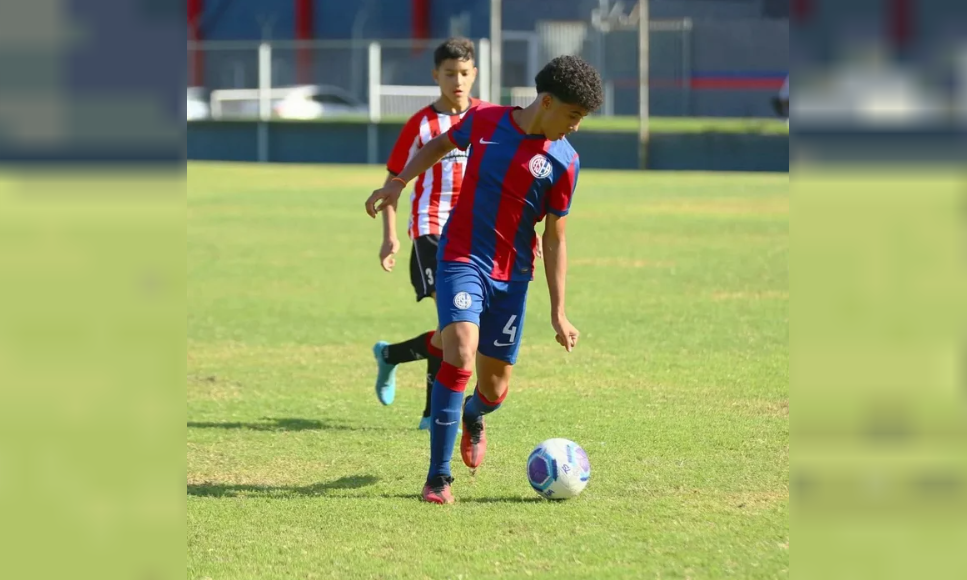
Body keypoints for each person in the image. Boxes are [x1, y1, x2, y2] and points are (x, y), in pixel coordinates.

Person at [365, 55, 604, 504]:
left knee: (493, 391)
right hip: (461, 256)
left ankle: (474, 415)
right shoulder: (487, 121)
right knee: (459, 352)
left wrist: (558, 311)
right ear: (547, 103)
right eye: (573, 116)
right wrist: (398, 182)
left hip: (512, 277)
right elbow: (438, 146)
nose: (575, 127)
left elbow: (555, 239)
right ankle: (438, 479)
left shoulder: (565, 162)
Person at [370, 37, 480, 430]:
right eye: (449, 73)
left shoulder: (484, 116)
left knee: (455, 329)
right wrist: (390, 236)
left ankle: (391, 356)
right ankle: (432, 412)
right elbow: (393, 182)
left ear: (475, 75)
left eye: (464, 73)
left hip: (473, 234)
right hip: (430, 230)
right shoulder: (421, 124)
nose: (457, 81)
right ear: (436, 75)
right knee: (451, 324)